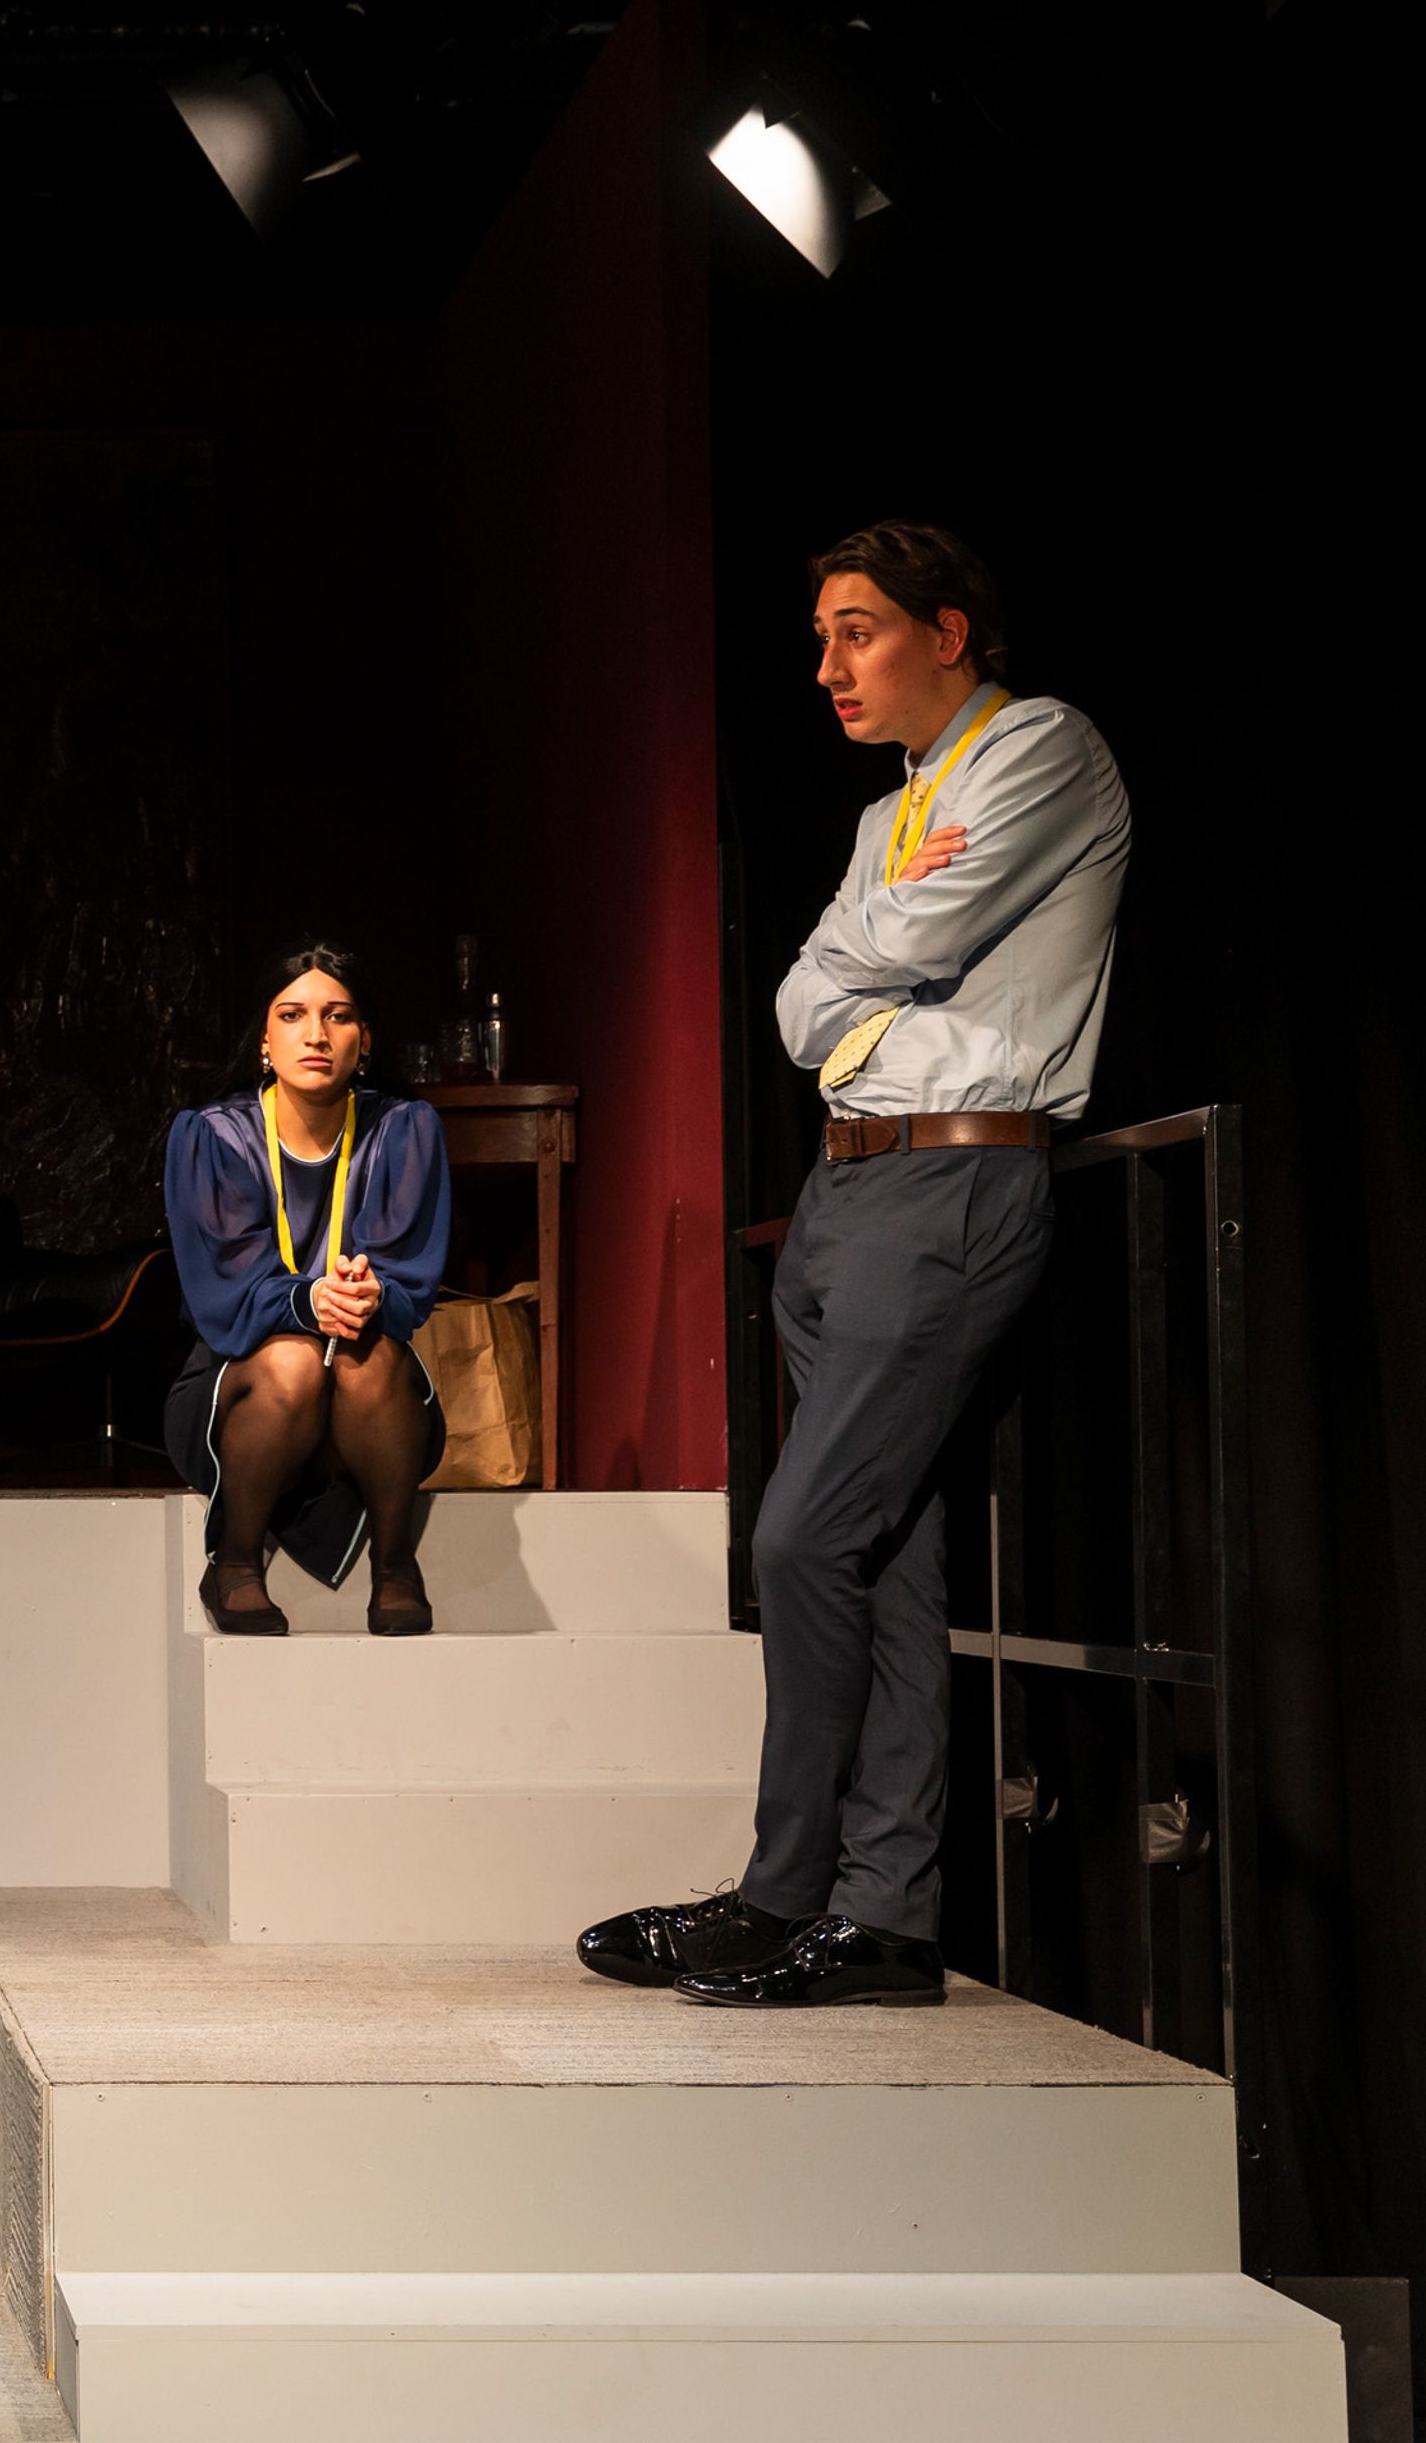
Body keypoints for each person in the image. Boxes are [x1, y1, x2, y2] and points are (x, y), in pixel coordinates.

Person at [582, 521, 1129, 2009]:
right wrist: (867, 958)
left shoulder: (1038, 749)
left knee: (799, 1540)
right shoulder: (893, 814)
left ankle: (783, 1892)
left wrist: (867, 960)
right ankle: (886, 1915)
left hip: (957, 1171)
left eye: (860, 631)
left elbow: (906, 939)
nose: (828, 665)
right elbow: (799, 1005)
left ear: (949, 631)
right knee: (883, 1558)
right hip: (842, 1191)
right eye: (820, 638)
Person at [162, 946, 452, 1638]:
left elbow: (409, 1280)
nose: (315, 1035)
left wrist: (365, 1291)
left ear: (366, 1040)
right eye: (292, 1015)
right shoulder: (212, 1137)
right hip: (242, 1384)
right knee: (293, 1362)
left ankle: (395, 1567)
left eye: (338, 1016)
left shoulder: (404, 1131)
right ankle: (233, 1564)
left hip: (361, 1384)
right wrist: (306, 1302)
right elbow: (226, 1300)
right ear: (265, 1038)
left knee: (368, 1358)